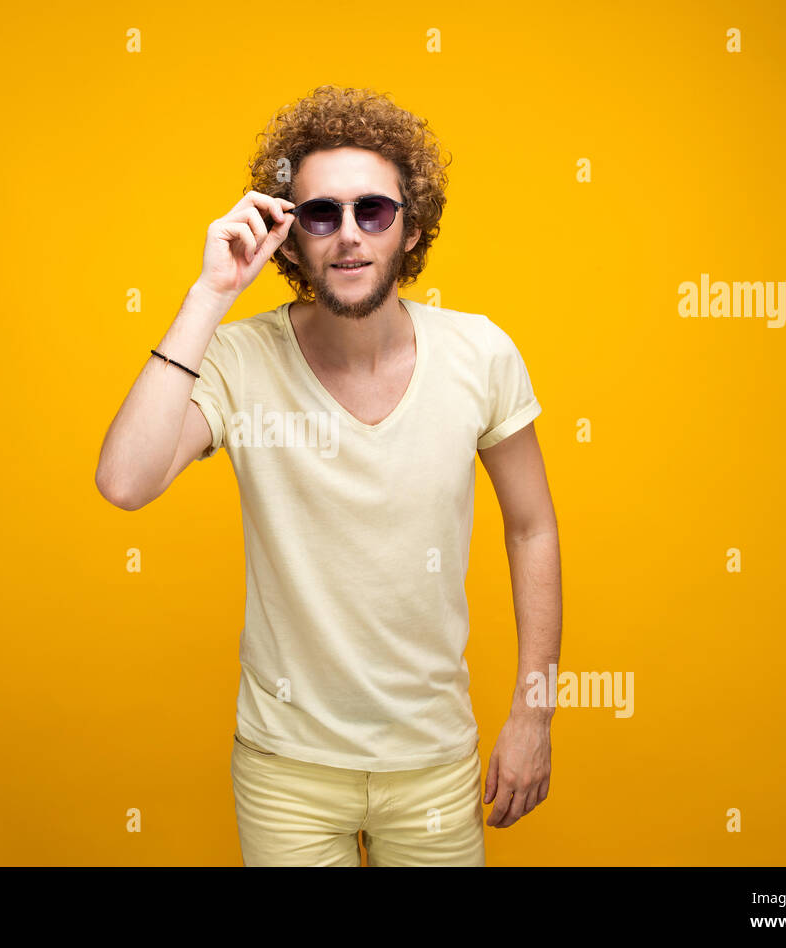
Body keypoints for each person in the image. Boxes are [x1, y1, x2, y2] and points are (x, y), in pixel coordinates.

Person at [96, 85, 561, 866]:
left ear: (410, 229)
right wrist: (210, 293)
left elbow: (533, 525)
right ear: (288, 236)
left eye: (372, 211)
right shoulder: (241, 361)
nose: (348, 236)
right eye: (320, 215)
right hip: (286, 771)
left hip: (434, 763)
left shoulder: (480, 354)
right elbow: (125, 481)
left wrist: (535, 713)